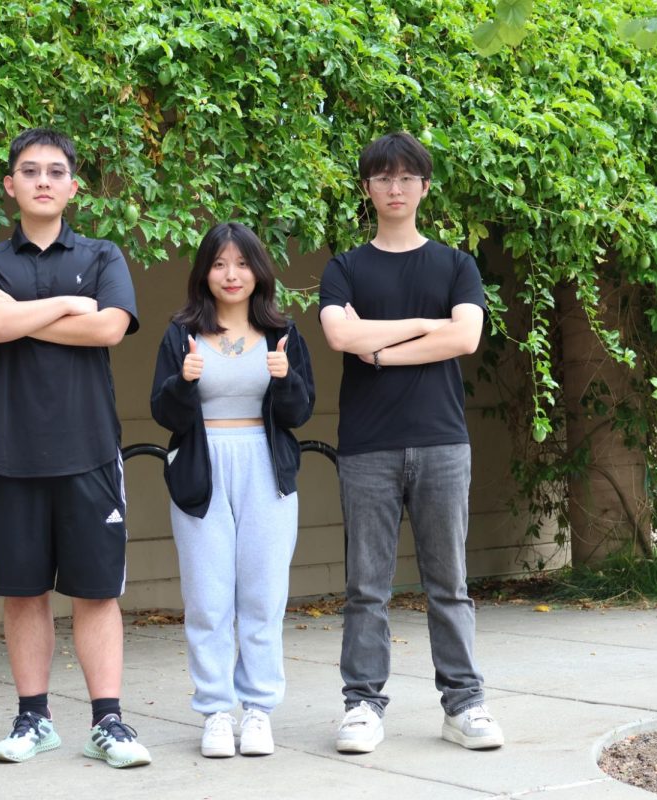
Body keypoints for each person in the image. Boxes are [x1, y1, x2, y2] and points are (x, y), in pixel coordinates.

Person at [0, 127, 151, 769]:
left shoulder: (103, 254)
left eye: (56, 170)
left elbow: (108, 329)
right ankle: (33, 719)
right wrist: (67, 303)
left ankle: (110, 723)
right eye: (30, 170)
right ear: (10, 184)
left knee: (97, 593)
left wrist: (25, 315)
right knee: (24, 591)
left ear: (73, 185)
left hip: (90, 451)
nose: (43, 179)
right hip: (12, 455)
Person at [317, 132, 504, 754]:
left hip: (442, 442)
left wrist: (382, 349)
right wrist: (426, 324)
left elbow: (466, 340)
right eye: (382, 178)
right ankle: (362, 706)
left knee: (448, 582)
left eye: (406, 178)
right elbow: (341, 336)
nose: (394, 188)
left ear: (425, 187)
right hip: (367, 446)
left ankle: (464, 704)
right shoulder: (345, 267)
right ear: (367, 189)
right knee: (365, 588)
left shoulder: (456, 264)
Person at [150, 222, 315, 758]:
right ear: (205, 273)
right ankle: (217, 711)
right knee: (207, 597)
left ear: (258, 271)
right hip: (203, 469)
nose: (231, 274)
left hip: (265, 469)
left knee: (263, 596)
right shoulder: (182, 334)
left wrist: (286, 376)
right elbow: (163, 412)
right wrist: (184, 381)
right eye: (219, 264)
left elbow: (299, 412)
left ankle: (259, 710)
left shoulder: (283, 333)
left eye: (241, 264)